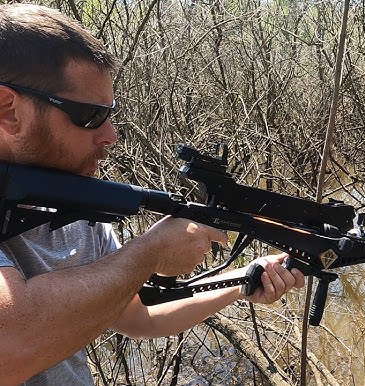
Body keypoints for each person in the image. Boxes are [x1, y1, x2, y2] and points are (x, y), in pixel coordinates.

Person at [0, 4, 305, 385]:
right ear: (8, 110)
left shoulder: (77, 204)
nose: (110, 135)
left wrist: (241, 280)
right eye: (90, 116)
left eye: (109, 114)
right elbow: (10, 348)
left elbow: (138, 317)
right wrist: (148, 253)